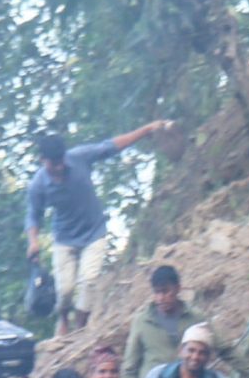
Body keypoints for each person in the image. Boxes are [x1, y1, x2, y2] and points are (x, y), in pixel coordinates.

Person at [26, 120, 174, 334]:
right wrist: (33, 242)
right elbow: (33, 215)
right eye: (53, 164)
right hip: (64, 238)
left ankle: (80, 329)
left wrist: (146, 129)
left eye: (60, 162)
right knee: (65, 289)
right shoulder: (38, 185)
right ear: (43, 161)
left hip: (94, 232)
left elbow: (111, 146)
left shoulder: (78, 158)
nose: (58, 168)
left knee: (89, 282)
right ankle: (63, 318)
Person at [121, 264, 207, 378]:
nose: (160, 298)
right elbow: (130, 366)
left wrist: (248, 373)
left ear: (178, 289)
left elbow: (224, 349)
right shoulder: (142, 321)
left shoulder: (195, 318)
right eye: (157, 292)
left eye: (165, 291)